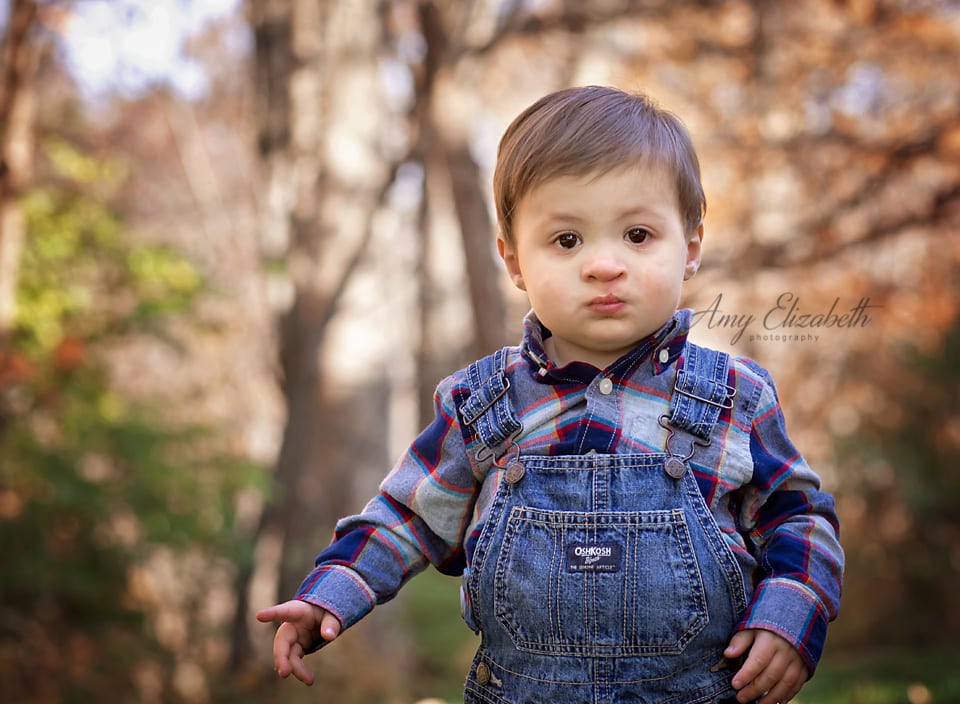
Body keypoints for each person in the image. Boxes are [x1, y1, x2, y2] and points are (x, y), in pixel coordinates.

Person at [257, 85, 844, 704]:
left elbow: (798, 516)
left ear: (690, 248)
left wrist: (790, 612)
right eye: (567, 241)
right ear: (515, 262)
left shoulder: (734, 397)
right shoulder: (483, 404)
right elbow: (408, 516)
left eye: (638, 235)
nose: (604, 265)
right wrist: (330, 593)